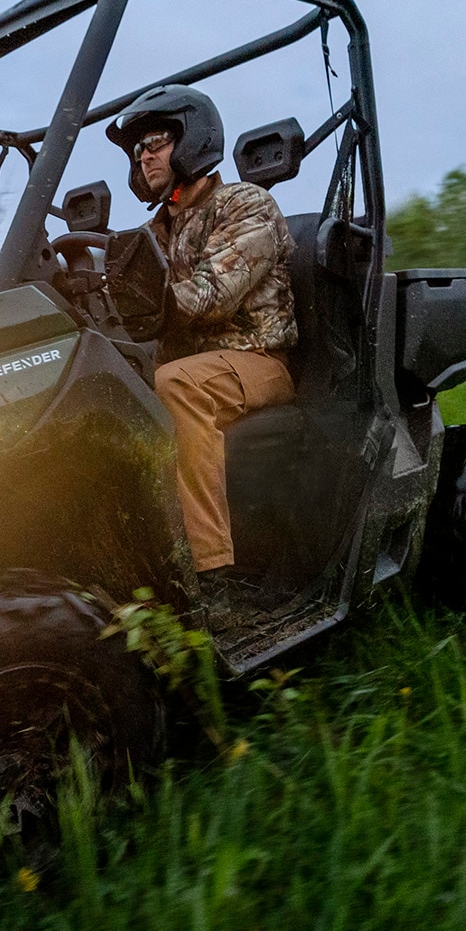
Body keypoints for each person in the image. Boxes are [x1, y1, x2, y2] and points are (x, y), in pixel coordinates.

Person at [105, 85, 297, 599]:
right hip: (197, 364)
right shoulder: (157, 228)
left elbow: (214, 292)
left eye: (158, 140)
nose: (145, 154)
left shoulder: (245, 204)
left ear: (195, 139)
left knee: (175, 383)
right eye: (138, 147)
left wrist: (147, 301)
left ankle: (212, 572)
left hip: (256, 359)